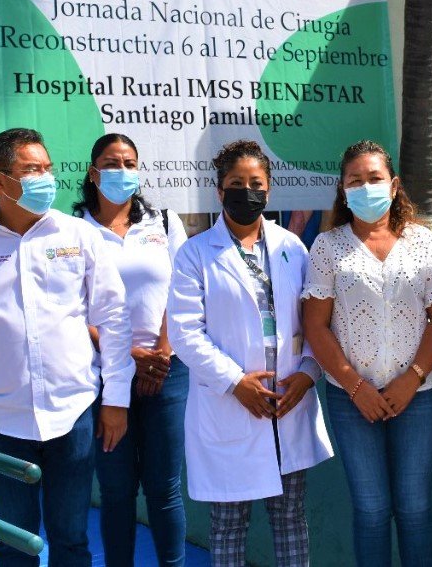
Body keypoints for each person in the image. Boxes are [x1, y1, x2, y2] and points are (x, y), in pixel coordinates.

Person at [0, 128, 132, 567]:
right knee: (14, 543)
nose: (46, 178)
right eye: (32, 170)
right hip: (0, 420)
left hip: (73, 412)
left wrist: (116, 399)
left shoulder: (79, 235)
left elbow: (114, 319)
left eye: (47, 168)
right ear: (0, 182)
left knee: (71, 539)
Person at [167, 140, 332, 567]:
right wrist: (234, 382)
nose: (247, 192)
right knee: (228, 523)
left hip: (289, 400)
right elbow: (185, 332)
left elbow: (315, 320)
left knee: (290, 518)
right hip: (230, 405)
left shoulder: (292, 247)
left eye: (255, 183)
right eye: (235, 184)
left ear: (270, 189)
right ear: (219, 192)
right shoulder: (195, 253)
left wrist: (309, 372)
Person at [301, 140, 432, 567]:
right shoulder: (328, 247)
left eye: (375, 178)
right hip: (352, 399)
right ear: (343, 189)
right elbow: (315, 326)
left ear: (394, 185)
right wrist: (355, 386)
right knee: (371, 510)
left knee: (414, 508)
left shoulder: (423, 243)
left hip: (418, 397)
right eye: (356, 180)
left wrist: (413, 378)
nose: (366, 186)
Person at [74, 133, 189, 567]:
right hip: (104, 375)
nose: (122, 170)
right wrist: (125, 355)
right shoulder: (75, 229)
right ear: (92, 171)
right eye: (111, 162)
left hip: (168, 370)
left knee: (164, 486)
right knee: (117, 489)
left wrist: (161, 349)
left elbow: (183, 289)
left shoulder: (162, 222)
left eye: (129, 162)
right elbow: (72, 305)